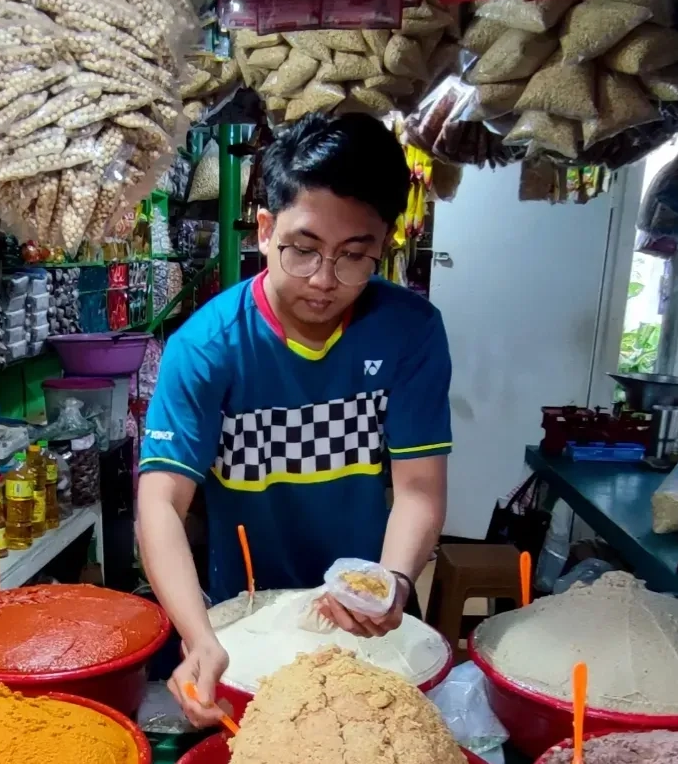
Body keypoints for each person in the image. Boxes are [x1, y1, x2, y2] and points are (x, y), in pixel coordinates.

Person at [136, 112, 451, 728]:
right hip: (246, 620)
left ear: (384, 244)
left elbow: (418, 490)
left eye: (355, 257)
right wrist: (199, 637)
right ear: (264, 228)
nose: (325, 280)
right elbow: (160, 504)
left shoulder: (410, 331)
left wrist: (394, 584)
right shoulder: (208, 345)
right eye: (302, 250)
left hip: (362, 622)